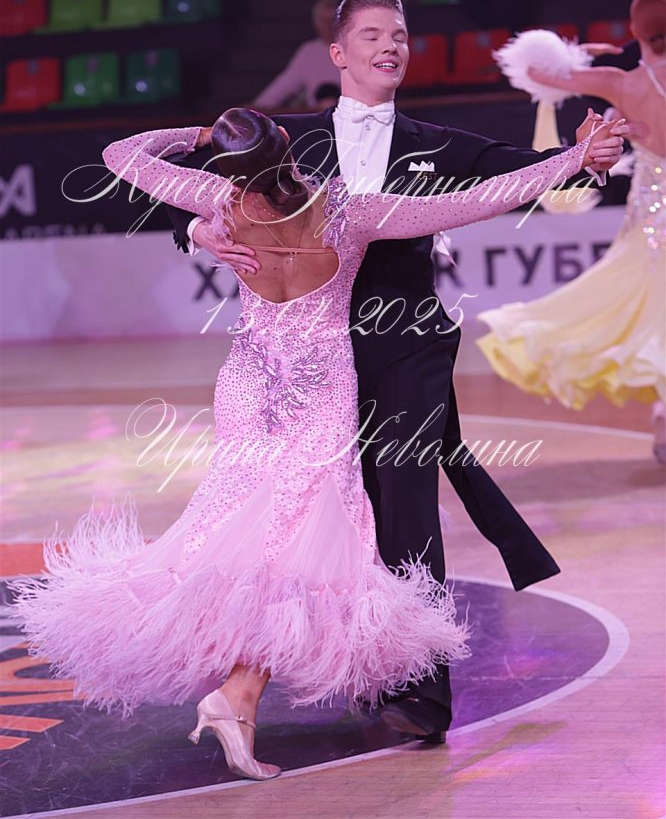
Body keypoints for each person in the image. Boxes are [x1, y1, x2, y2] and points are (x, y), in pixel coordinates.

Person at [10, 107, 621, 782]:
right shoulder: (348, 213)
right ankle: (238, 693)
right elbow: (479, 199)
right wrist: (572, 159)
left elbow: (121, 154)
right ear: (289, 150)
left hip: (250, 384)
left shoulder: (218, 201)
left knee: (246, 529)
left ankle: (240, 694)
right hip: (321, 390)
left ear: (230, 169)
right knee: (299, 538)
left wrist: (196, 137)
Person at [164, 0, 623, 744]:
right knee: (323, 516)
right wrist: (198, 233)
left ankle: (420, 693)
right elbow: (190, 194)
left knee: (404, 503)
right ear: (338, 52)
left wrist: (588, 158)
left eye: (400, 35)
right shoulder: (287, 143)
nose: (391, 46)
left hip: (407, 345)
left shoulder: (439, 144)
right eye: (373, 34)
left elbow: (523, 173)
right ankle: (345, 670)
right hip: (311, 361)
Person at [478, 0, 666, 463]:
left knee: (647, 308)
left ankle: (664, 412)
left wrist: (579, 55)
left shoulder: (622, 83)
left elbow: (538, 72)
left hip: (652, 221)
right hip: (652, 218)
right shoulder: (623, 81)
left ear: (634, 31)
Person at [252, 0, 340, 110]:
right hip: (319, 116)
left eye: (332, 20)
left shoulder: (353, 49)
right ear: (316, 23)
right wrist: (256, 108)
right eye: (323, 20)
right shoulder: (309, 52)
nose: (328, 25)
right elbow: (284, 84)